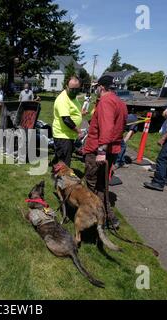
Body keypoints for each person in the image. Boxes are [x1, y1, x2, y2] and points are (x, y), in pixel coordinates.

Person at [83, 75, 128, 228]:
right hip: (112, 149)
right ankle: (109, 218)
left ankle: (96, 217)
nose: (96, 89)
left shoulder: (106, 101)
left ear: (101, 87)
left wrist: (101, 150)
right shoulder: (120, 102)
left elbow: (107, 127)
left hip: (99, 150)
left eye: (97, 86)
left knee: (92, 185)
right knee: (101, 186)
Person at [51, 76, 84, 167]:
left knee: (62, 159)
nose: (74, 91)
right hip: (63, 136)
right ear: (66, 86)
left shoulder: (73, 97)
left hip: (68, 135)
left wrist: (80, 114)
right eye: (72, 89)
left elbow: (72, 110)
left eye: (76, 89)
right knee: (64, 163)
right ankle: (62, 179)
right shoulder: (63, 99)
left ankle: (58, 174)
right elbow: (66, 119)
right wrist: (78, 131)